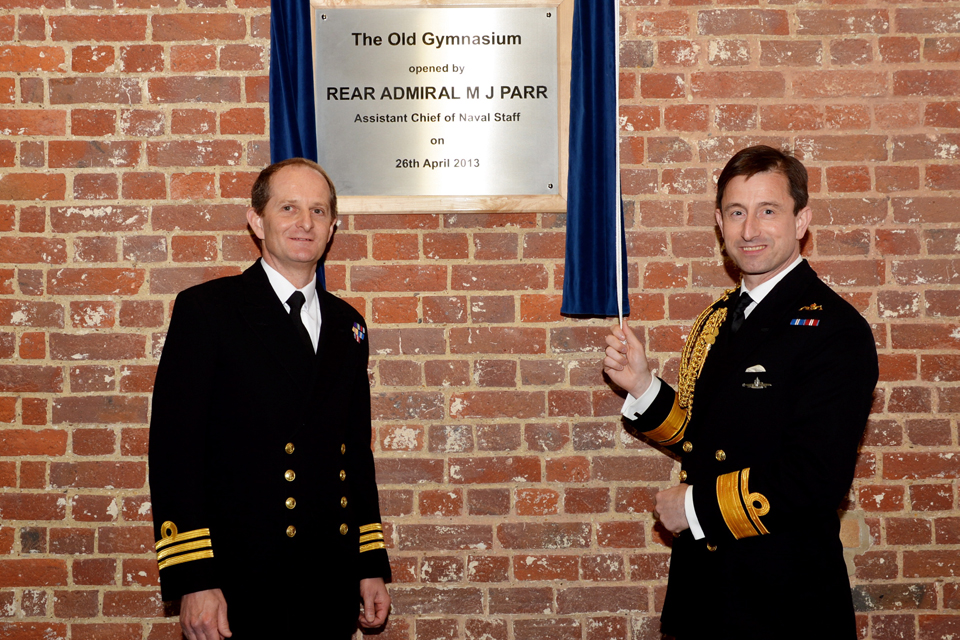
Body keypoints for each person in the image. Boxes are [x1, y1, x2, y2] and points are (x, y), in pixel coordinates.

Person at [603, 145, 878, 639]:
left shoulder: (834, 330)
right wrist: (644, 387)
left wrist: (692, 509)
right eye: (737, 212)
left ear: (801, 221)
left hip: (782, 603)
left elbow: (815, 480)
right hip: (704, 597)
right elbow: (704, 439)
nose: (749, 229)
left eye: (768, 211)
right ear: (719, 222)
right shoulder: (720, 317)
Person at [149, 158, 391, 640]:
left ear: (333, 227)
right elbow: (175, 452)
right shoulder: (208, 310)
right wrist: (195, 580)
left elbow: (354, 455)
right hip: (240, 580)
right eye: (289, 208)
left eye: (319, 211)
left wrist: (369, 564)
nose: (305, 222)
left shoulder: (349, 325)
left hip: (329, 576)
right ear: (256, 221)